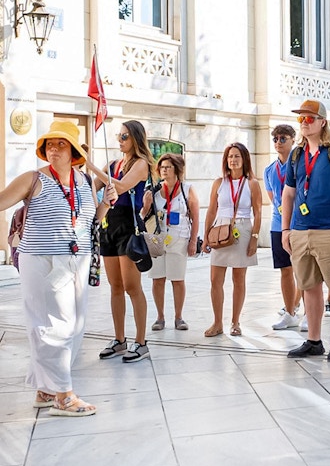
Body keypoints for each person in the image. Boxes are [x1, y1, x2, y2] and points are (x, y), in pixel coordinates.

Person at [0, 120, 117, 416]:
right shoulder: (33, 179)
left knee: (75, 327)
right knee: (54, 326)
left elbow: (91, 221)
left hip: (76, 260)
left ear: (74, 151)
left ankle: (45, 388)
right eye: (49, 144)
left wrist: (106, 205)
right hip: (41, 260)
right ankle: (63, 395)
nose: (53, 148)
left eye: (61, 144)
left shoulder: (84, 181)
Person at [282, 100, 330, 362]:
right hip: (301, 231)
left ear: (322, 122)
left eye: (309, 118)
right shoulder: (296, 154)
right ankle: (313, 340)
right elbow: (289, 193)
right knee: (309, 287)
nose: (304, 123)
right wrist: (285, 229)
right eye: (301, 119)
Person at [86, 120, 157, 363]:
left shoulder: (141, 164)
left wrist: (92, 166)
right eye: (119, 135)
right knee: (115, 287)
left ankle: (141, 342)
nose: (120, 140)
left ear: (136, 138)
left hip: (129, 227)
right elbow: (91, 186)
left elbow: (121, 186)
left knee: (131, 287)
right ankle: (119, 339)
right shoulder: (113, 164)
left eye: (124, 136)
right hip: (109, 226)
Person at [202, 142, 262, 337]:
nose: (233, 160)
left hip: (243, 228)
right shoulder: (219, 183)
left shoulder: (252, 183)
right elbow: (211, 210)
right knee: (215, 279)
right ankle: (217, 322)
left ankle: (235, 322)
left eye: (236, 156)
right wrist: (205, 237)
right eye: (230, 157)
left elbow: (258, 212)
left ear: (244, 159)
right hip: (220, 228)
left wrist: (254, 237)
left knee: (239, 278)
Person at [140, 153, 199, 331]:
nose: (164, 170)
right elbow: (142, 216)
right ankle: (160, 317)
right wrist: (146, 205)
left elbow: (195, 217)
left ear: (177, 170)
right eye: (162, 167)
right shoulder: (154, 190)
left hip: (179, 239)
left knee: (177, 279)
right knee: (158, 279)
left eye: (168, 167)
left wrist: (193, 241)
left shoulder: (187, 189)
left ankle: (179, 317)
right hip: (157, 238)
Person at [264, 124, 303, 330]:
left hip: (300, 224)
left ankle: (307, 312)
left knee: (303, 271)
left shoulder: (300, 164)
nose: (278, 142)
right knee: (285, 270)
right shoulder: (270, 169)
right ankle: (290, 312)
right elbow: (274, 199)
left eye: (283, 138)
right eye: (276, 139)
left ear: (293, 139)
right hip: (278, 225)